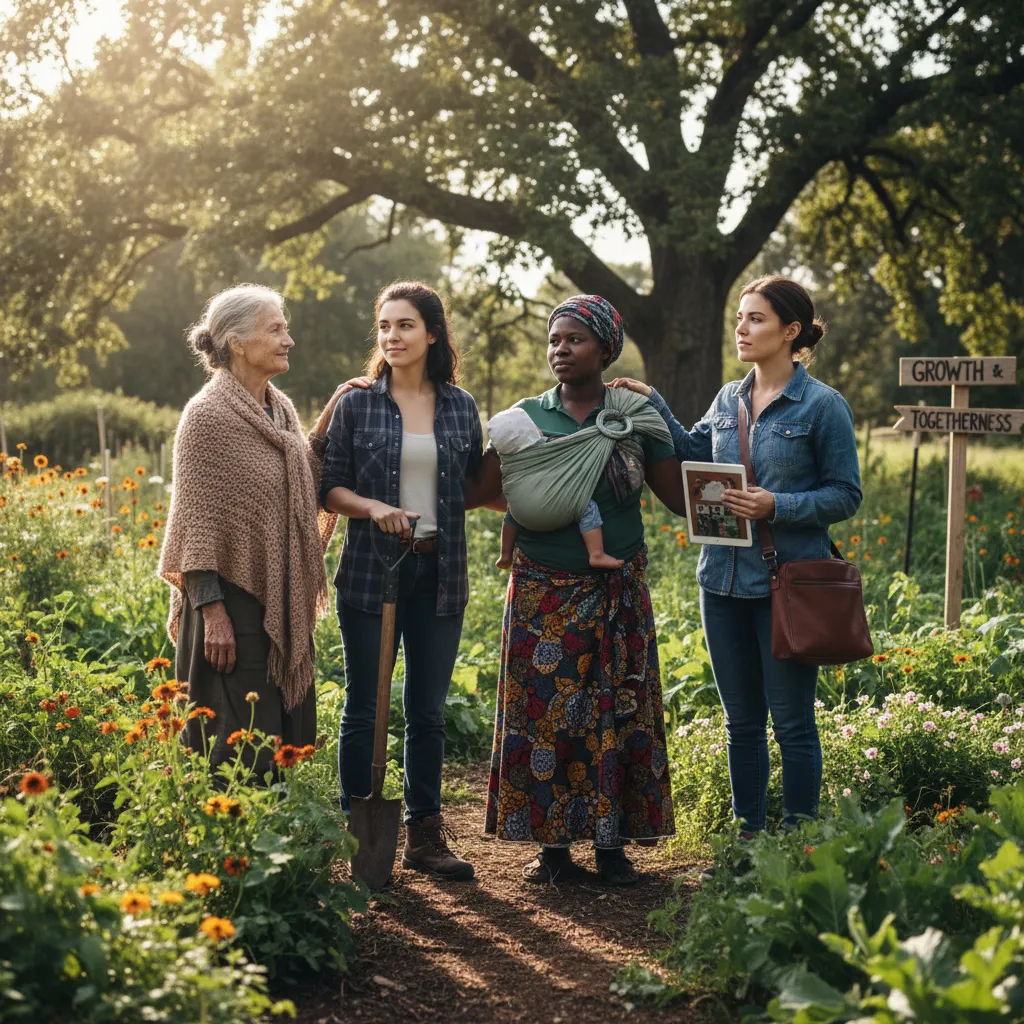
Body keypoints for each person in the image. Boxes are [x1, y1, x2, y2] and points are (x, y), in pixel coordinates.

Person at [611, 274, 862, 836]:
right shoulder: (729, 397)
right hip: (720, 584)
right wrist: (653, 402)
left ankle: (798, 840)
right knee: (740, 724)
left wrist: (778, 504)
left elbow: (846, 494)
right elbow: (694, 448)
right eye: (740, 317)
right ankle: (747, 837)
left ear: (790, 331)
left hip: (788, 586)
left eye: (756, 318)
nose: (741, 328)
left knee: (793, 724)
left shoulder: (823, 407)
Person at [474, 294, 689, 885]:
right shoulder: (526, 417)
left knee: (616, 711)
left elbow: (676, 497)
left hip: (616, 586)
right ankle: (553, 849)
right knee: (546, 715)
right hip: (543, 590)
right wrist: (542, 506)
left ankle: (613, 846)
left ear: (605, 348)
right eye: (554, 340)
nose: (560, 350)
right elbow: (483, 489)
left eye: (574, 339)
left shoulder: (635, 417)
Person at [319, 281, 489, 882]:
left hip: (440, 570)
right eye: (385, 326)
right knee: (365, 707)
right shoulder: (357, 403)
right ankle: (356, 834)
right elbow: (328, 484)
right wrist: (373, 508)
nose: (392, 336)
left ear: (433, 334)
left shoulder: (461, 406)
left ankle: (424, 836)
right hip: (372, 569)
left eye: (406, 326)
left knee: (429, 711)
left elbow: (475, 481)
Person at [159, 284, 344, 779]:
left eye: (285, 328)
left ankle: (282, 844)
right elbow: (194, 526)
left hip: (276, 596)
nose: (289, 340)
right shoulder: (206, 417)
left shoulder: (278, 410)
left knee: (279, 729)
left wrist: (335, 410)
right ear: (237, 342)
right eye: (276, 329)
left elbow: (300, 477)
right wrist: (213, 613)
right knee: (237, 734)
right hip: (227, 606)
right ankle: (231, 844)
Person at [488, 406, 622, 570]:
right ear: (531, 432)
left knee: (511, 511)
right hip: (557, 510)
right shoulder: (548, 446)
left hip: (521, 514)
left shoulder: (506, 458)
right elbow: (567, 447)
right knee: (587, 506)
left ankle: (505, 554)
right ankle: (597, 554)